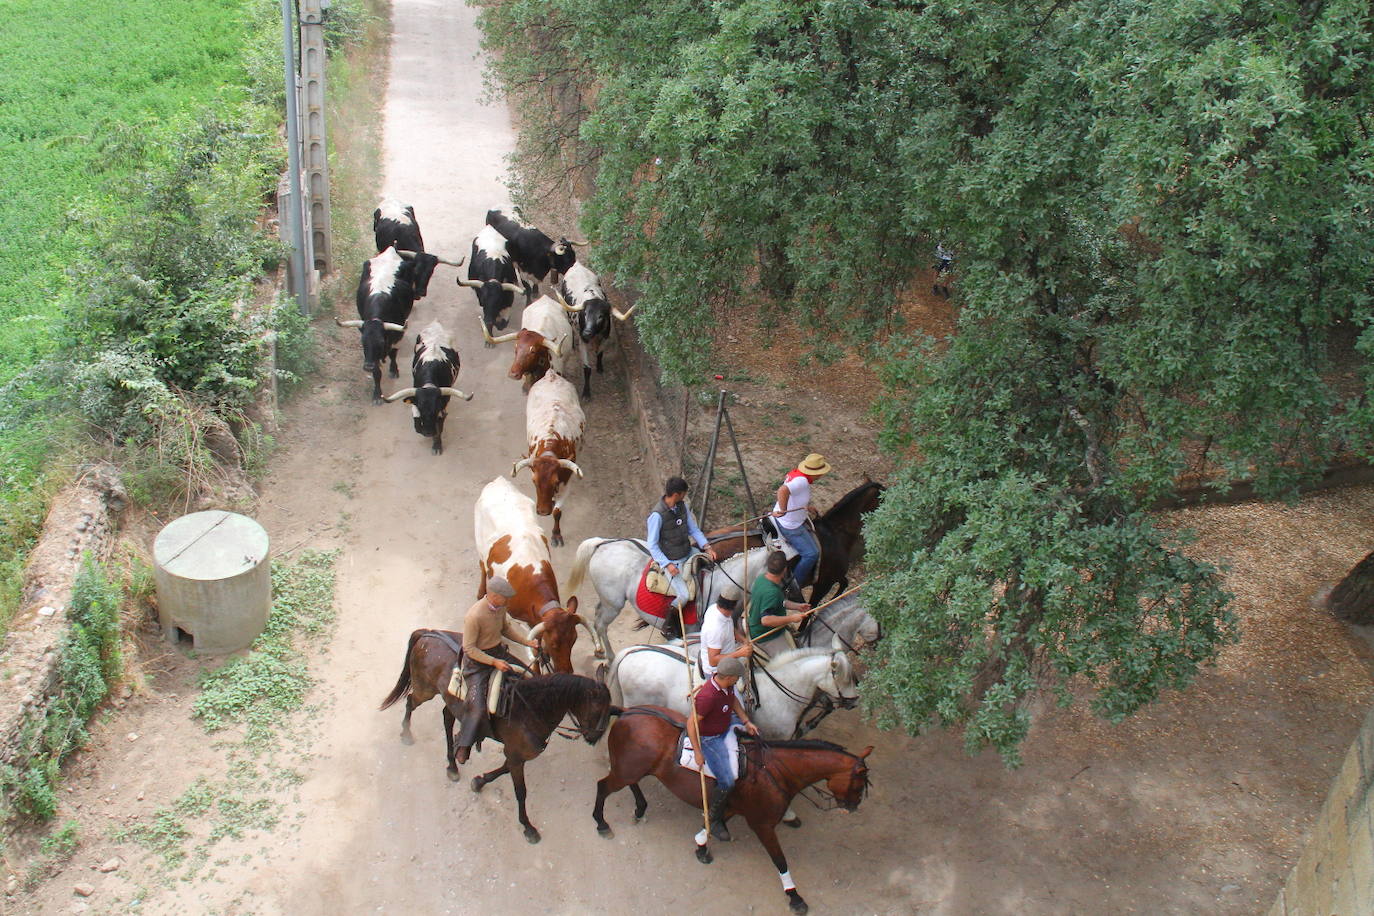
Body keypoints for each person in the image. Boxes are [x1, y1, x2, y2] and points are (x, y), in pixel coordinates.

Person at [454, 577, 540, 765]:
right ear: (493, 595)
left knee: (529, 678)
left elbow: (506, 629)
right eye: (505, 597)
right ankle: (463, 744)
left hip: (498, 653)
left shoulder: (501, 608)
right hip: (477, 664)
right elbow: (469, 649)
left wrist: (527, 642)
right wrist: (493, 662)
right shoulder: (474, 616)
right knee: (477, 708)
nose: (508, 601)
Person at [688, 656, 759, 841]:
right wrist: (697, 751)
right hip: (710, 739)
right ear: (729, 677)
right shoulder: (707, 697)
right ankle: (714, 818)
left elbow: (734, 700)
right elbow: (691, 724)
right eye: (737, 677)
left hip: (726, 725)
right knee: (727, 781)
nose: (738, 680)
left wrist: (746, 721)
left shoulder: (726, 685)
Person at [646, 476, 717, 610]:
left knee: (712, 567)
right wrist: (667, 564)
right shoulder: (657, 516)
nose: (685, 496)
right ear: (676, 494)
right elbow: (652, 545)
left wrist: (707, 547)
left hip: (688, 551)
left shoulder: (682, 506)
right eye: (684, 493)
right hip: (672, 560)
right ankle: (670, 624)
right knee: (683, 596)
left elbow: (693, 530)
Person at [771, 453, 831, 590]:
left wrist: (805, 507)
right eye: (821, 473)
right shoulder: (802, 482)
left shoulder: (796, 475)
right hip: (790, 524)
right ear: (815, 473)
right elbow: (783, 490)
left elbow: (792, 494)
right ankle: (792, 586)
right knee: (811, 554)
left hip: (793, 517)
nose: (821, 476)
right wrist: (783, 509)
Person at [748, 550, 811, 656]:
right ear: (785, 569)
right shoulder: (772, 592)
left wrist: (797, 606)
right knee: (791, 661)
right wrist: (792, 618)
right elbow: (766, 620)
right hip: (765, 635)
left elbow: (779, 602)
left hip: (759, 625)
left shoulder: (762, 578)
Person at [699, 584, 753, 679]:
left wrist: (743, 640)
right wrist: (740, 653)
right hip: (718, 672)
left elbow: (730, 627)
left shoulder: (717, 609)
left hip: (728, 661)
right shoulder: (716, 629)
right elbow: (713, 661)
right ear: (734, 605)